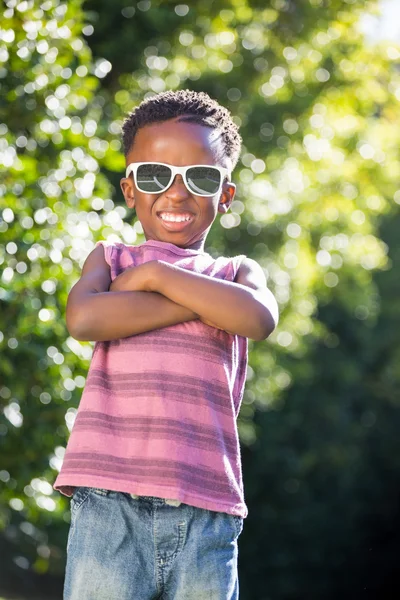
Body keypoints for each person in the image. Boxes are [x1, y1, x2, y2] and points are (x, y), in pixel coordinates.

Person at [53, 89, 279, 600]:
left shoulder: (237, 273)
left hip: (207, 509)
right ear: (130, 188)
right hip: (109, 505)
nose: (176, 194)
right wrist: (202, 303)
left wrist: (157, 275)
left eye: (200, 178)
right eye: (156, 175)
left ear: (225, 194)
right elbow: (86, 317)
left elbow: (259, 318)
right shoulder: (110, 261)